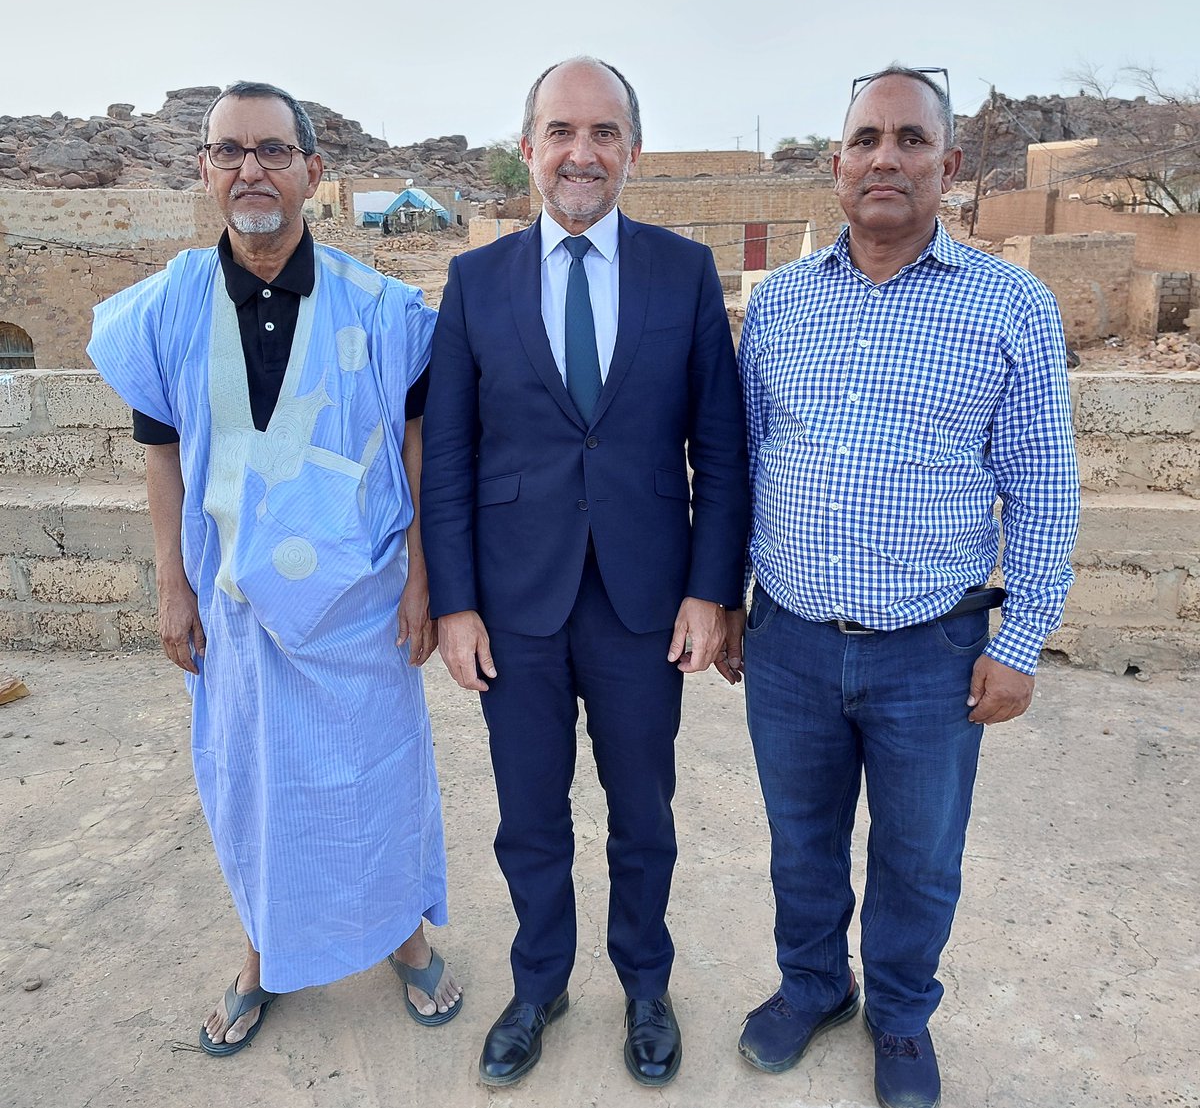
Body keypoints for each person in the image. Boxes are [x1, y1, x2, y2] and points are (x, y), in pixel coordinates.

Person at [86, 80, 461, 1057]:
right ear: (206, 171)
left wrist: (425, 576)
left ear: (313, 172)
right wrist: (171, 583)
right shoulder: (167, 308)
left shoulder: (381, 310)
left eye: (272, 150)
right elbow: (162, 452)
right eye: (229, 152)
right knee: (253, 782)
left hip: (362, 605)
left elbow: (420, 442)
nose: (251, 168)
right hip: (237, 606)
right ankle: (264, 953)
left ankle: (404, 939)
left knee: (373, 778)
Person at [730, 65, 1079, 1108]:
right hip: (789, 637)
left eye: (911, 140)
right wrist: (728, 598)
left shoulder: (1012, 304)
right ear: (835, 163)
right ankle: (809, 986)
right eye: (867, 139)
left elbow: (1046, 490)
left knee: (920, 854)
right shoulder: (781, 303)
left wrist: (1020, 643)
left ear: (951, 165)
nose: (887, 157)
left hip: (933, 647)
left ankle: (899, 1013)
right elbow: (743, 465)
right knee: (802, 840)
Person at [420, 57, 749, 1087]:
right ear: (528, 149)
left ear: (633, 151)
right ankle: (539, 980)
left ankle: (645, 984)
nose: (582, 152)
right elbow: (452, 456)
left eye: (605, 132)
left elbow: (723, 448)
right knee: (529, 812)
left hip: (644, 601)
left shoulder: (682, 273)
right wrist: (457, 602)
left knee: (642, 809)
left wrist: (710, 588)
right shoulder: (475, 282)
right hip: (514, 603)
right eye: (561, 131)